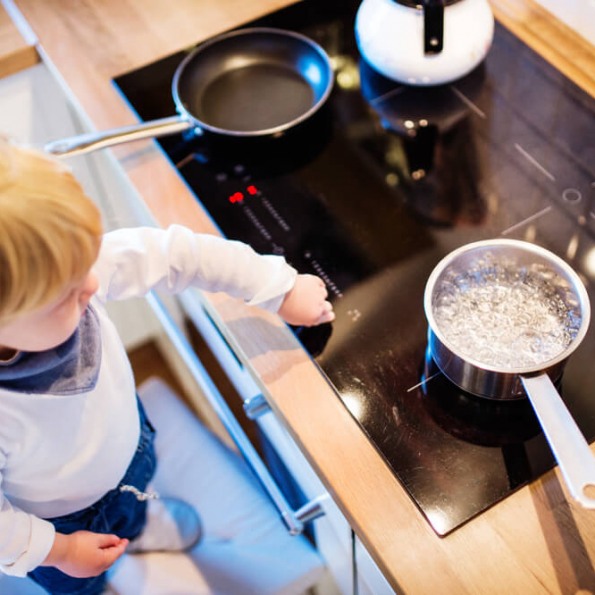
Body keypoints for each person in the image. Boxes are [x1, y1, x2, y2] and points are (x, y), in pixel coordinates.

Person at [0, 140, 334, 594]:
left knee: (134, 502)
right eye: (67, 295)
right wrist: (59, 551)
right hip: (57, 524)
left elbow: (176, 253)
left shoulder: (65, 269)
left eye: (89, 259)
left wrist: (276, 287)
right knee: (82, 579)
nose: (94, 283)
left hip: (128, 447)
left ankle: (135, 528)